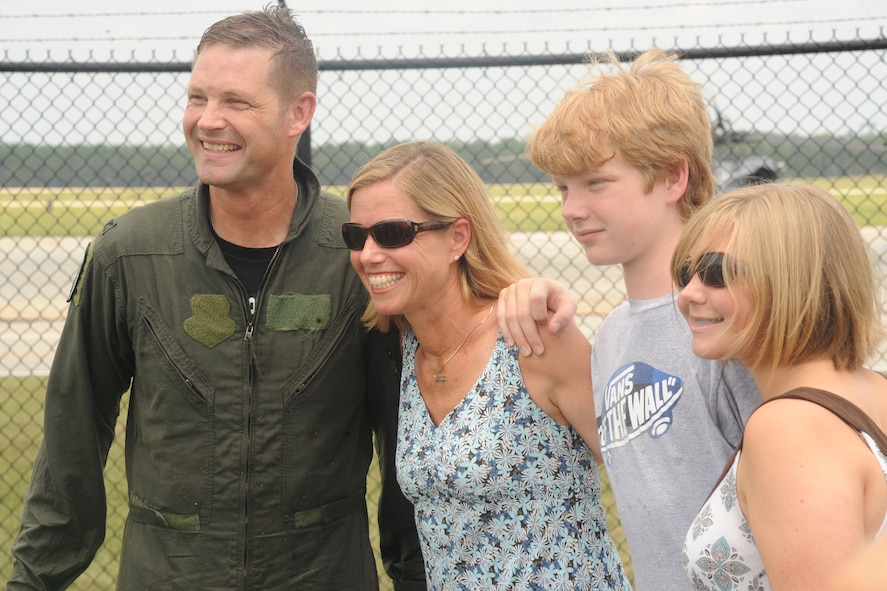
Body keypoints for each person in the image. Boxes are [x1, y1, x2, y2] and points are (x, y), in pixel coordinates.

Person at [7, 7, 425, 591]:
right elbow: (72, 434)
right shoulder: (129, 255)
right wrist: (35, 581)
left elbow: (407, 435)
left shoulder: (359, 253)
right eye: (197, 97)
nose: (208, 121)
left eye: (237, 102)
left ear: (297, 113)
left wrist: (417, 577)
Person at [496, 49, 762, 590]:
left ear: (671, 177)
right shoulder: (614, 334)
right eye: (562, 187)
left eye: (595, 183)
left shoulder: (727, 321)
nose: (571, 207)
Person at [344, 141, 632, 590]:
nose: (368, 254)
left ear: (458, 237)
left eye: (392, 232)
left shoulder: (533, 339)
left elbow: (645, 479)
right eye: (355, 236)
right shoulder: (401, 352)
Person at [677, 182, 887, 591]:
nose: (688, 293)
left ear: (793, 281)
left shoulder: (790, 428)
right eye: (686, 272)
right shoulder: (872, 390)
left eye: (717, 272)